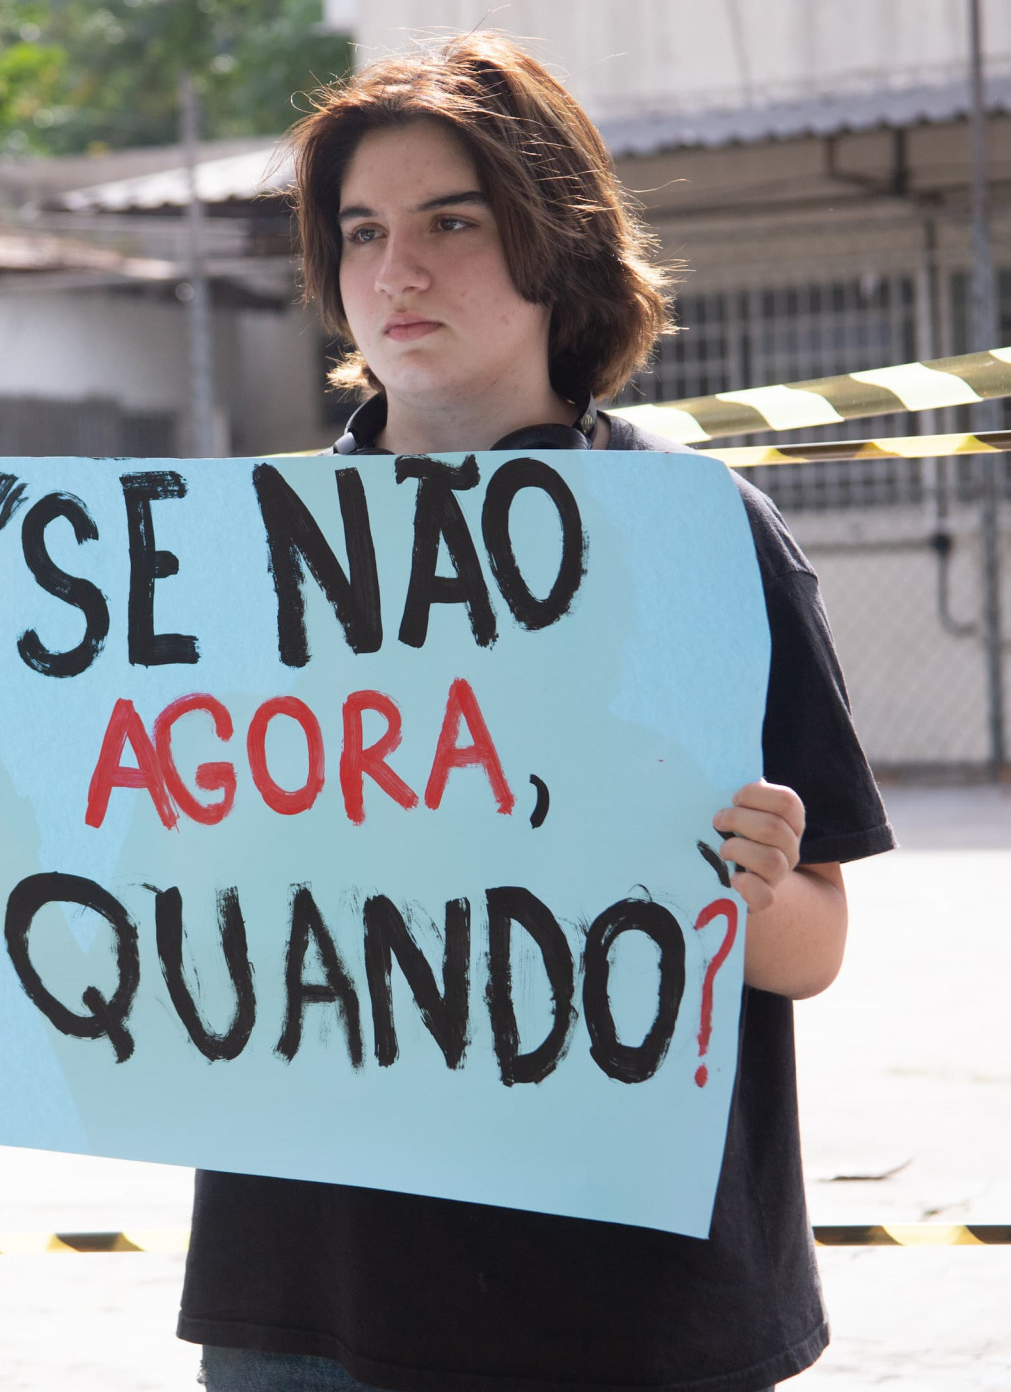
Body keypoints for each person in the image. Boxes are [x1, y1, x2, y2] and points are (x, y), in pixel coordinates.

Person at [175, 35, 895, 1392]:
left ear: (554, 241)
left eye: (453, 222)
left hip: (618, 1301)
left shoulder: (695, 540)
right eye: (362, 230)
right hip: (311, 1288)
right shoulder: (224, 559)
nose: (399, 271)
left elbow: (811, 947)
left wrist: (739, 888)